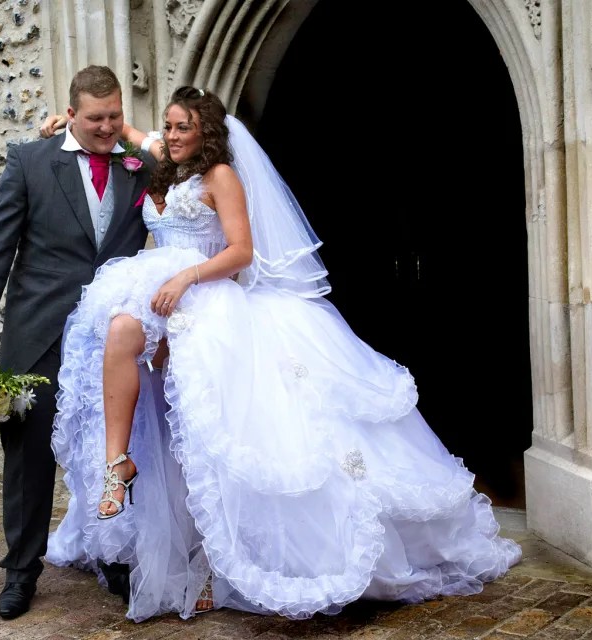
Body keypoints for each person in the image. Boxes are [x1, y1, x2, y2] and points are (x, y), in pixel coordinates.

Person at [38, 87, 522, 622]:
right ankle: (117, 463)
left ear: (206, 133)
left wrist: (187, 276)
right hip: (159, 293)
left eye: (181, 128)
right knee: (121, 336)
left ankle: (214, 562)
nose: (170, 136)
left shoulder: (219, 175)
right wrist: (68, 122)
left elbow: (241, 251)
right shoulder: (166, 162)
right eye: (168, 126)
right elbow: (124, 133)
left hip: (206, 295)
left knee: (205, 436)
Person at [0, 65, 155, 620]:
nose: (107, 127)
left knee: (110, 449)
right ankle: (20, 572)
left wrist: (137, 138)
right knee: (28, 455)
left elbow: (190, 168)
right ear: (70, 114)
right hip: (38, 331)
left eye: (115, 116)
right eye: (96, 118)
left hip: (108, 339)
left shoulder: (141, 167)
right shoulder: (29, 161)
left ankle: (114, 558)